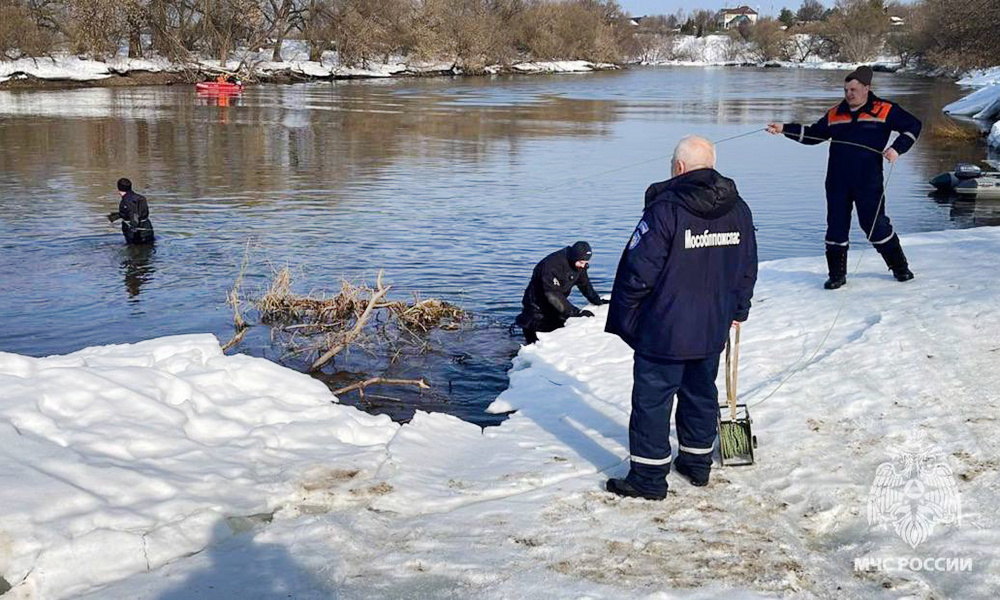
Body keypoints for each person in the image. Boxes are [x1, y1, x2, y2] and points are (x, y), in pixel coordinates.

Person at [604, 136, 757, 500]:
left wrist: (628, 318)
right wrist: (738, 311)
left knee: (653, 401)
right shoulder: (740, 208)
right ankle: (697, 463)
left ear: (679, 168)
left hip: (665, 328)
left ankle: (649, 478)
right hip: (711, 326)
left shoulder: (666, 209)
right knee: (700, 393)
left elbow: (637, 271)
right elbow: (747, 267)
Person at [767, 65, 921, 289]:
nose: (849, 94)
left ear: (867, 89)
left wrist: (897, 148)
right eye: (846, 90)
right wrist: (784, 128)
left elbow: (913, 126)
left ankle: (900, 268)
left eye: (853, 90)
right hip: (837, 181)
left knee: (874, 227)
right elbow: (814, 134)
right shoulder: (835, 113)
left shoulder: (885, 109)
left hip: (869, 181)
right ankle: (837, 276)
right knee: (836, 227)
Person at [515, 241, 607, 344]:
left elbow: (585, 284)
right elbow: (552, 294)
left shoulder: (579, 265)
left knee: (558, 330)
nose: (583, 266)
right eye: (581, 262)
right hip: (536, 305)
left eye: (586, 263)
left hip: (555, 304)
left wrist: (597, 300)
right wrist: (575, 312)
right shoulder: (552, 265)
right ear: (573, 257)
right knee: (537, 339)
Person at [109, 178, 154, 244]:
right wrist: (116, 216)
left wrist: (133, 227)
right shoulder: (141, 198)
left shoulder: (127, 201)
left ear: (118, 188)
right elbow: (139, 212)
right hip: (148, 230)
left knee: (133, 252)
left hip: (135, 234)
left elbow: (134, 214)